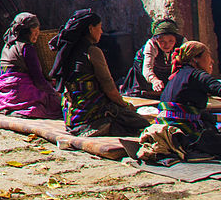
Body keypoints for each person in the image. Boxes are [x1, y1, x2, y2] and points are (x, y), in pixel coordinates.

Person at [49, 9, 147, 137]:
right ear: (91, 28)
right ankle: (99, 128)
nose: (101, 32)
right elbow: (109, 88)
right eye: (99, 28)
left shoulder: (68, 52)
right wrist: (125, 105)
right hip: (90, 116)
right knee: (140, 122)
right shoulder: (92, 51)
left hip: (72, 117)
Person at [0, 12, 59, 118]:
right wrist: (54, 92)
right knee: (53, 103)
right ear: (27, 31)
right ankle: (22, 109)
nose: (37, 34)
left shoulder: (7, 45)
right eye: (35, 31)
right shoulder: (26, 48)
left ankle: (13, 108)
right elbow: (38, 79)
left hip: (3, 97)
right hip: (19, 92)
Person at [121, 18, 183, 97]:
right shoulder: (151, 45)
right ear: (156, 40)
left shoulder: (182, 43)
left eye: (171, 41)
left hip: (167, 71)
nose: (167, 45)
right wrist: (154, 80)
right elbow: (147, 68)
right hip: (145, 73)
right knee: (141, 94)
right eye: (162, 41)